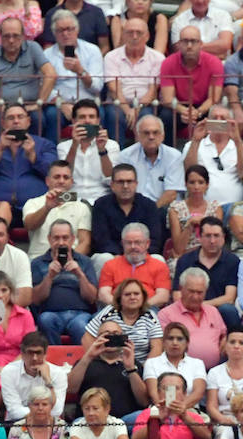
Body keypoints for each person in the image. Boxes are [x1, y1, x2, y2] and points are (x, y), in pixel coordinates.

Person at [0, 18, 58, 145]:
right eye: (6, 36)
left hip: (29, 106)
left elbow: (51, 74)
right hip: (1, 107)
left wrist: (39, 103)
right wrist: (3, 109)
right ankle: (0, 157)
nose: (11, 40)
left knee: (39, 120)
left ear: (23, 36)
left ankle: (34, 154)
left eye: (15, 36)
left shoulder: (33, 48)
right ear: (0, 36)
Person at [0, 104, 57, 209]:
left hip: (36, 208)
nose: (16, 121)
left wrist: (33, 156)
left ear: (28, 121)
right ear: (3, 123)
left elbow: (53, 175)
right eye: (11, 118)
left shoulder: (45, 145)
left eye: (20, 117)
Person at [102, 16, 165, 145]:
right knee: (115, 116)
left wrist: (136, 108)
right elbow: (114, 89)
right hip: (117, 102)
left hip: (145, 104)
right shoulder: (111, 57)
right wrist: (127, 110)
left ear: (147, 36)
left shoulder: (157, 58)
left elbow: (153, 91)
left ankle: (142, 156)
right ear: (123, 35)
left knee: (146, 119)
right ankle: (117, 156)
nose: (134, 37)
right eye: (130, 32)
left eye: (139, 33)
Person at [90, 163, 166, 260]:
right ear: (112, 185)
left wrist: (136, 253)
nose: (125, 186)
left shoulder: (149, 206)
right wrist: (123, 257)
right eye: (120, 182)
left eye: (129, 181)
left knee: (158, 259)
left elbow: (155, 240)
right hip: (112, 256)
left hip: (142, 255)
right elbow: (101, 240)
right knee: (103, 258)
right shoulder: (101, 205)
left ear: (136, 184)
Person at [157, 270, 229, 369]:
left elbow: (224, 335)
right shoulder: (166, 314)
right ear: (181, 289)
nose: (195, 297)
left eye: (200, 292)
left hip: (214, 372)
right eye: (191, 291)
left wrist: (225, 342)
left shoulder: (213, 311)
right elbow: (162, 346)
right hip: (180, 373)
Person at [22, 161, 91, 261]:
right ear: (47, 181)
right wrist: (47, 208)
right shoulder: (33, 203)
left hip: (71, 261)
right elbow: (29, 225)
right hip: (39, 259)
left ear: (71, 182)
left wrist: (69, 260)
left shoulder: (82, 207)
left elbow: (85, 242)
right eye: (57, 177)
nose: (61, 181)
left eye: (66, 177)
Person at [128, 369, 210, 439]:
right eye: (166, 388)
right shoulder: (147, 414)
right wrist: (157, 420)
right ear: (158, 392)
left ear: (184, 393)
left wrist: (185, 417)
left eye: (176, 388)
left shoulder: (193, 416)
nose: (171, 393)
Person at [116, 115, 184, 209]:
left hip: (164, 209)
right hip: (134, 208)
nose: (151, 137)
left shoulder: (174, 156)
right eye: (146, 133)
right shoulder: (126, 156)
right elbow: (122, 188)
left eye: (155, 132)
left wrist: (150, 212)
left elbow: (171, 194)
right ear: (138, 136)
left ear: (163, 135)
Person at [98, 223, 169, 308]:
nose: (133, 246)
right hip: (115, 309)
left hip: (148, 310)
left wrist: (139, 308)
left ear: (147, 243)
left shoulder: (159, 266)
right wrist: (122, 308)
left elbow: (163, 296)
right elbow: (103, 294)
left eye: (138, 242)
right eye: (128, 243)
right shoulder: (110, 265)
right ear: (122, 243)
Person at [142, 322, 207, 410]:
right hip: (160, 410)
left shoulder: (197, 363)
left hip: (190, 410)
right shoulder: (152, 363)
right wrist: (168, 410)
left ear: (187, 342)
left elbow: (198, 392)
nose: (175, 342)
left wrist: (181, 407)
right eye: (170, 338)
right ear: (164, 342)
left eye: (180, 339)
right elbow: (154, 393)